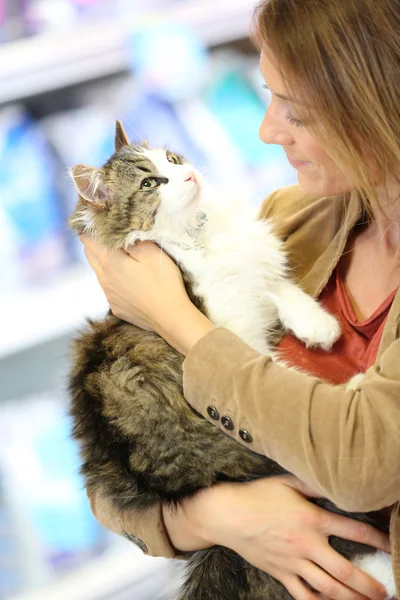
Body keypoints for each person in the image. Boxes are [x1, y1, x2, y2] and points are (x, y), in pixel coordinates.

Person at [80, 0, 400, 598]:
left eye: (296, 113)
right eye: (268, 96)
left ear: (380, 109)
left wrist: (172, 317)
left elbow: (365, 461)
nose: (266, 130)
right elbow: (110, 475)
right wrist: (218, 516)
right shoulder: (291, 220)